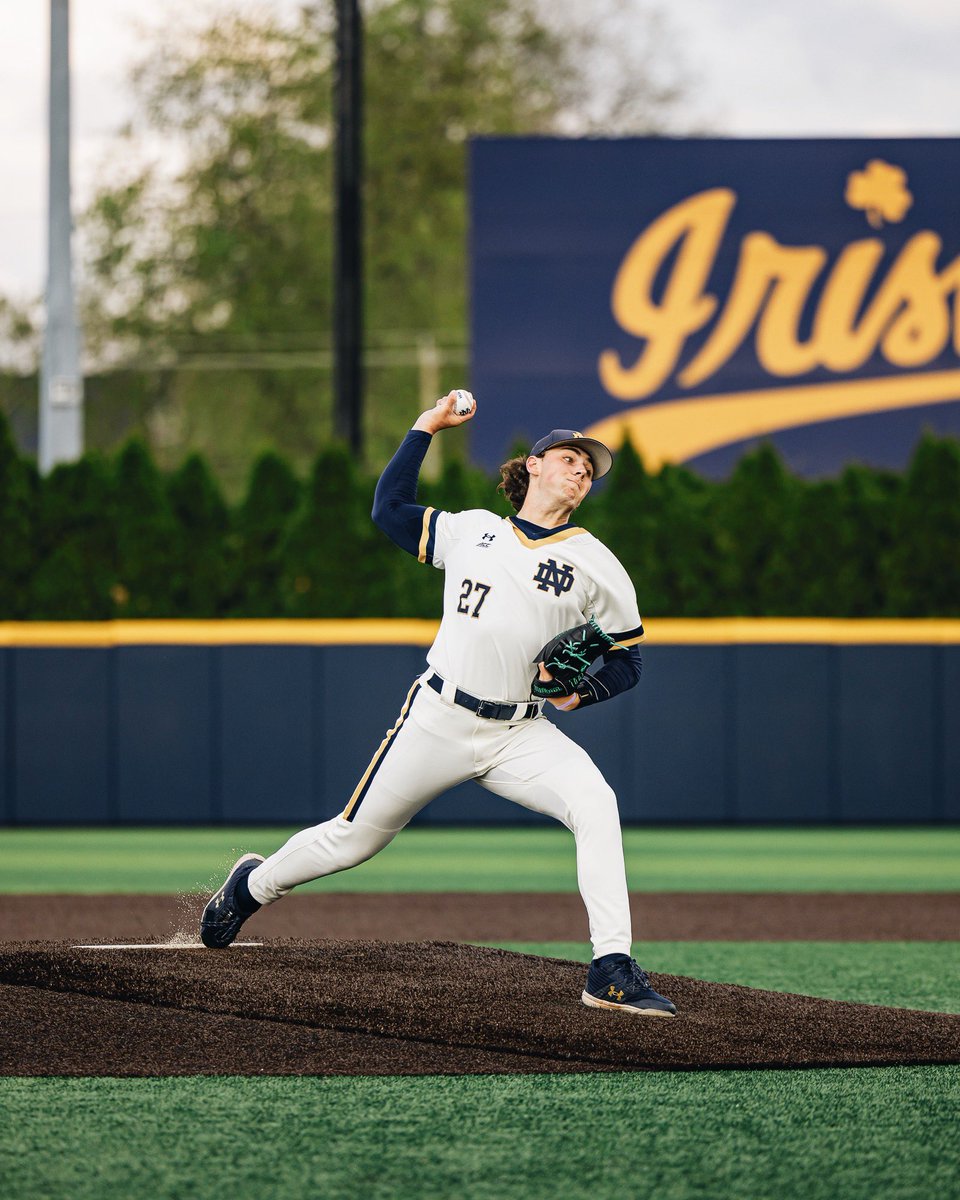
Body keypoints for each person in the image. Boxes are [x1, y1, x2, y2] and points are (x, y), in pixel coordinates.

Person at [200, 391, 676, 1017]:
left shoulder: (598, 563)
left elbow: (629, 660)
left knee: (597, 804)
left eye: (589, 469)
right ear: (532, 466)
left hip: (520, 732)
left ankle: (610, 968)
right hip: (439, 717)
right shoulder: (472, 529)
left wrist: (580, 691)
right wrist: (426, 425)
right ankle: (252, 886)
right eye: (569, 459)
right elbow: (389, 509)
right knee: (353, 841)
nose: (581, 471)